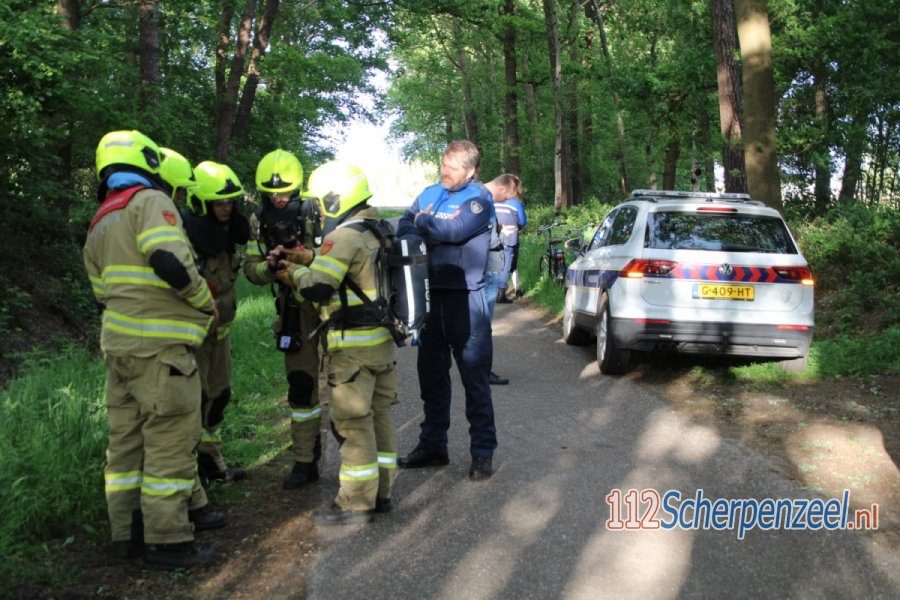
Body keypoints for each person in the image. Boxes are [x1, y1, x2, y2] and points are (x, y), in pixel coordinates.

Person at [83, 130, 217, 570]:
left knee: (124, 447)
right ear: (147, 162)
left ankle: (127, 534)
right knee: (169, 442)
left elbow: (101, 291)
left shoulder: (102, 216)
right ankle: (170, 541)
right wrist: (204, 301)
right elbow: (168, 260)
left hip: (118, 348)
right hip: (160, 351)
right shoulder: (150, 202)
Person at [275, 161, 398, 525]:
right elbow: (350, 271)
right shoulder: (378, 228)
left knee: (353, 423)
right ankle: (383, 494)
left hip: (353, 347)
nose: (318, 208)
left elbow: (317, 286)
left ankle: (355, 504)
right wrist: (308, 257)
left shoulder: (342, 235)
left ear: (334, 196)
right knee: (380, 419)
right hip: (381, 344)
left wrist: (292, 271)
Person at [396, 140, 497, 481]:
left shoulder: (479, 199)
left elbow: (454, 231)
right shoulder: (429, 193)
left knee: (475, 380)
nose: (444, 171)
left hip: (466, 301)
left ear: (470, 170)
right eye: (443, 164)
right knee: (431, 378)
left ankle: (482, 453)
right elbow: (404, 227)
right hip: (431, 298)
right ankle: (433, 446)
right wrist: (426, 224)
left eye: (452, 167)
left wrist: (425, 225)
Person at [244, 149, 323, 489]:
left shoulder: (317, 212)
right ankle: (305, 461)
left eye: (285, 191)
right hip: (294, 311)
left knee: (347, 385)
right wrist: (270, 267)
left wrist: (302, 258)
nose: (278, 198)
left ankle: (357, 461)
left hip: (329, 306)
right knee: (302, 386)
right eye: (272, 192)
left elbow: (338, 259)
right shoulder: (257, 220)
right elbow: (251, 270)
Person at [181, 160, 250, 484]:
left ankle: (212, 463)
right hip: (192, 339)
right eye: (219, 202)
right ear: (202, 203)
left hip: (220, 335)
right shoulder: (186, 240)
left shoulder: (227, 236)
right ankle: (188, 472)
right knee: (192, 403)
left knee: (218, 397)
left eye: (230, 201)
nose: (226, 208)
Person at [482, 174, 522, 385]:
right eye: (509, 196)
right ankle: (482, 372)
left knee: (478, 323)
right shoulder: (484, 199)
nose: (507, 201)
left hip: (481, 268)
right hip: (486, 268)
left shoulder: (478, 195)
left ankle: (477, 370)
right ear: (504, 188)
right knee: (483, 324)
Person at [493, 181, 526, 302]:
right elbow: (522, 222)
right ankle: (501, 293)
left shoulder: (494, 203)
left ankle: (496, 289)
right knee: (508, 264)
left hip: (495, 238)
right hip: (510, 238)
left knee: (497, 264)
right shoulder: (516, 204)